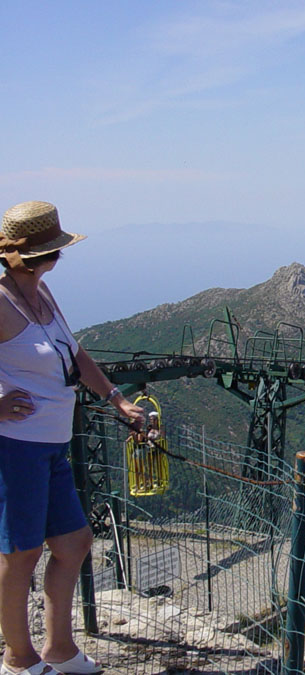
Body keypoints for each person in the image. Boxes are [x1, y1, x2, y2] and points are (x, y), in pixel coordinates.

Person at [0, 201, 144, 675]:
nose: (59, 258)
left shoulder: (42, 295)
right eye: (54, 251)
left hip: (51, 445)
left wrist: (115, 398)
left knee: (74, 542)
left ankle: (59, 649)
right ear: (33, 254)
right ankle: (18, 660)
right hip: (14, 447)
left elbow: (75, 353)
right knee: (21, 553)